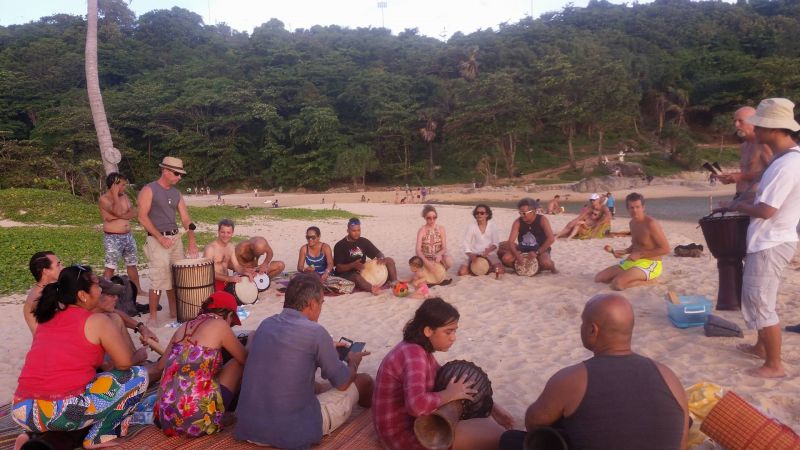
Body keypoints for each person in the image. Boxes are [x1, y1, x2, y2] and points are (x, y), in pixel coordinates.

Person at [500, 294, 688, 450]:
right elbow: (681, 439)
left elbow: (534, 424)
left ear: (592, 330)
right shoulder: (668, 375)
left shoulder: (572, 379)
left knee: (511, 440)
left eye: (583, 322)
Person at [12, 265, 148, 449]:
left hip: (22, 409)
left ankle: (31, 434)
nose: (100, 289)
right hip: (57, 411)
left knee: (76, 392)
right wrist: (138, 356)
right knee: (138, 375)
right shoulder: (97, 321)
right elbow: (124, 364)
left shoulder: (48, 315)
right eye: (96, 285)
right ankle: (100, 437)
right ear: (83, 295)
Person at [235, 274, 373, 448]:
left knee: (312, 383)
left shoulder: (266, 324)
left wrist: (326, 347)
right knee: (364, 381)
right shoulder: (316, 332)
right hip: (291, 432)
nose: (321, 308)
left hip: (249, 428)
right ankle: (369, 423)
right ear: (312, 304)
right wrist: (352, 362)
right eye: (321, 303)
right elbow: (343, 383)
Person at [718, 98, 800, 378]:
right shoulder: (786, 159)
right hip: (773, 239)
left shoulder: (786, 165)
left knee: (761, 302)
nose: (755, 129)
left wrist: (738, 206)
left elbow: (766, 209)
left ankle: (774, 365)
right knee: (757, 298)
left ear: (773, 128)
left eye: (759, 124)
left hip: (771, 241)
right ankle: (761, 348)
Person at [372, 297, 513, 450]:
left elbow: (447, 378)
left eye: (454, 331)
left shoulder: (417, 349)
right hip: (403, 437)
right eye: (448, 332)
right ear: (428, 331)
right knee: (497, 435)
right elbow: (416, 406)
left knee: (487, 425)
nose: (453, 338)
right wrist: (449, 394)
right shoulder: (414, 355)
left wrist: (492, 407)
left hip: (412, 426)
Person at [154, 291, 247, 437]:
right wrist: (252, 340)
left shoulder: (183, 326)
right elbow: (245, 359)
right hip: (195, 420)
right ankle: (219, 416)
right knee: (237, 363)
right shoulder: (220, 324)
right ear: (229, 315)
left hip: (164, 418)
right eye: (232, 322)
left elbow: (160, 367)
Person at [137, 156, 198, 325]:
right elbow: (142, 217)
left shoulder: (176, 193)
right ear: (165, 170)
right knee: (158, 278)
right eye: (177, 173)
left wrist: (191, 241)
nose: (179, 177)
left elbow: (186, 218)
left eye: (181, 174)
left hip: (175, 238)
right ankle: (153, 317)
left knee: (175, 276)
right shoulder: (149, 189)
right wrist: (160, 237)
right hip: (157, 240)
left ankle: (173, 311)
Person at [595, 193, 670, 290]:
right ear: (627, 209)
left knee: (617, 284)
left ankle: (651, 281)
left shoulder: (651, 224)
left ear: (643, 207)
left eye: (637, 207)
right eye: (631, 208)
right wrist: (625, 251)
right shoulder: (632, 223)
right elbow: (636, 244)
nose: (635, 210)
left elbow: (666, 249)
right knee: (600, 278)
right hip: (633, 260)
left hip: (651, 263)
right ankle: (629, 275)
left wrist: (640, 255)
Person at [93, 279, 159, 376]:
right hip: (106, 377)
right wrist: (136, 358)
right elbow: (109, 370)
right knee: (164, 369)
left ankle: (139, 365)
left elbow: (115, 312)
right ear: (97, 297)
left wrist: (141, 328)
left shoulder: (98, 314)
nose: (116, 298)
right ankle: (139, 366)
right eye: (111, 295)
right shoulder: (93, 325)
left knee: (115, 317)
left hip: (122, 367)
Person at [98, 172, 143, 298]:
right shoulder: (104, 199)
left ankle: (137, 289)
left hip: (128, 236)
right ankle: (104, 292)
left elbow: (133, 212)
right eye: (122, 185)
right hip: (113, 237)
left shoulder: (125, 196)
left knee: (132, 264)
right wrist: (115, 195)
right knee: (110, 266)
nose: (124, 188)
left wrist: (119, 216)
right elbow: (117, 210)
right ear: (114, 185)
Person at [717, 106, 774, 202]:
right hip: (740, 196)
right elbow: (747, 172)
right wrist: (731, 178)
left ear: (754, 122)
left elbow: (774, 172)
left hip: (756, 198)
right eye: (735, 121)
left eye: (741, 121)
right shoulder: (744, 146)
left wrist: (740, 176)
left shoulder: (763, 145)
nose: (736, 125)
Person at [333, 218, 398, 295]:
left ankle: (395, 284)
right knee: (356, 277)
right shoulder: (340, 245)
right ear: (348, 231)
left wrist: (381, 258)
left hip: (363, 270)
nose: (357, 233)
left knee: (389, 260)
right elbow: (339, 268)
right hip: (348, 273)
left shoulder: (363, 241)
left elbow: (378, 253)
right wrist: (353, 265)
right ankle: (373, 289)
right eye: (354, 231)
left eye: (358, 230)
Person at [498, 198, 557, 274]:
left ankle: (552, 268)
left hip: (540, 248)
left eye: (524, 213)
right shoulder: (518, 222)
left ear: (534, 211)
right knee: (506, 259)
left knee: (547, 263)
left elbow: (551, 239)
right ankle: (524, 269)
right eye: (520, 213)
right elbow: (511, 241)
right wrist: (517, 256)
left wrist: (537, 252)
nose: (522, 215)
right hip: (523, 248)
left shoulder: (542, 220)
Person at [458, 204, 503, 276]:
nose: (479, 215)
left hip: (489, 253)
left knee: (500, 271)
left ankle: (487, 268)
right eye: (477, 213)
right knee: (462, 272)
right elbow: (466, 243)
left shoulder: (492, 226)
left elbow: (496, 243)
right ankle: (474, 268)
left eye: (482, 213)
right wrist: (470, 254)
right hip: (475, 253)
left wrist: (488, 250)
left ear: (487, 214)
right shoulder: (471, 226)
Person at [204, 219, 249, 292]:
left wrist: (245, 272)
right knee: (230, 301)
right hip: (213, 283)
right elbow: (208, 272)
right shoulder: (211, 249)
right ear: (218, 232)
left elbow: (237, 266)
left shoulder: (231, 247)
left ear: (232, 233)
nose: (225, 235)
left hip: (227, 282)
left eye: (228, 232)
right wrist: (229, 278)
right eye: (223, 232)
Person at [24, 251, 63, 335]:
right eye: (58, 265)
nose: (62, 268)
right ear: (46, 271)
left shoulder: (45, 290)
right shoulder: (39, 298)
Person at [416, 205, 454, 270]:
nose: (432, 220)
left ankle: (441, 270)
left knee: (449, 261)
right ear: (424, 217)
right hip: (425, 257)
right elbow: (418, 250)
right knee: (416, 264)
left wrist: (439, 254)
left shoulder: (441, 229)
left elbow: (444, 248)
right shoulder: (422, 230)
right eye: (429, 218)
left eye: (434, 217)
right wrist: (426, 262)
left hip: (437, 258)